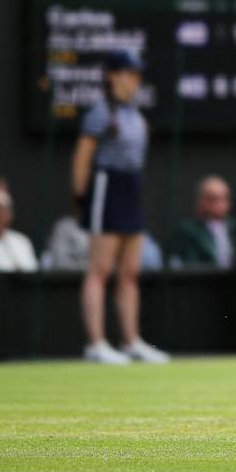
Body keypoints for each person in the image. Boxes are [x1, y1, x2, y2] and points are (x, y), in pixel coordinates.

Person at [71, 50, 168, 365]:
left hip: (132, 186)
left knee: (129, 272)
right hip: (106, 186)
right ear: (112, 75)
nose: (134, 79)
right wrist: (80, 196)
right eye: (129, 72)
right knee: (100, 270)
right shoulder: (100, 112)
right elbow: (83, 156)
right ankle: (96, 343)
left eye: (137, 73)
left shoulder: (135, 114)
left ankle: (130, 341)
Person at [169, 176, 236, 268]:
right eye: (214, 198)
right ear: (201, 201)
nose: (221, 204)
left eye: (224, 198)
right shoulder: (188, 232)